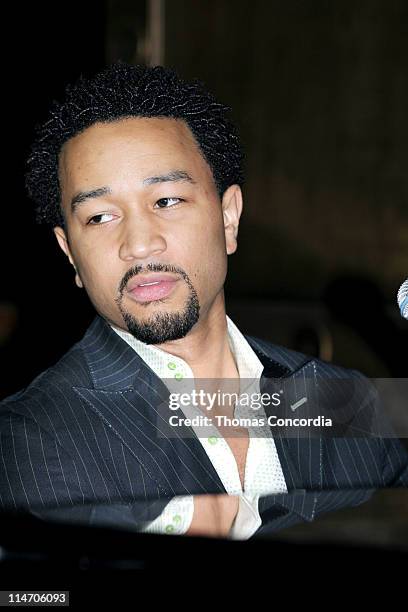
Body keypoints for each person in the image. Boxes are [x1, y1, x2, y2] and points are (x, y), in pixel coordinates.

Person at [0, 63, 406, 540]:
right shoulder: (29, 436)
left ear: (228, 218)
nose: (139, 243)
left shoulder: (348, 402)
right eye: (99, 217)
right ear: (70, 253)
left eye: (167, 201)